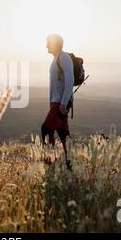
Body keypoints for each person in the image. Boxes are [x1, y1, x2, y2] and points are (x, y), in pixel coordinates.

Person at [41, 34, 74, 169]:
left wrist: (64, 103)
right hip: (56, 103)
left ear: (55, 44)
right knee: (63, 134)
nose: (46, 45)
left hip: (60, 103)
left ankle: (49, 161)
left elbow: (70, 80)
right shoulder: (55, 59)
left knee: (46, 129)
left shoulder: (64, 57)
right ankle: (70, 163)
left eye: (48, 43)